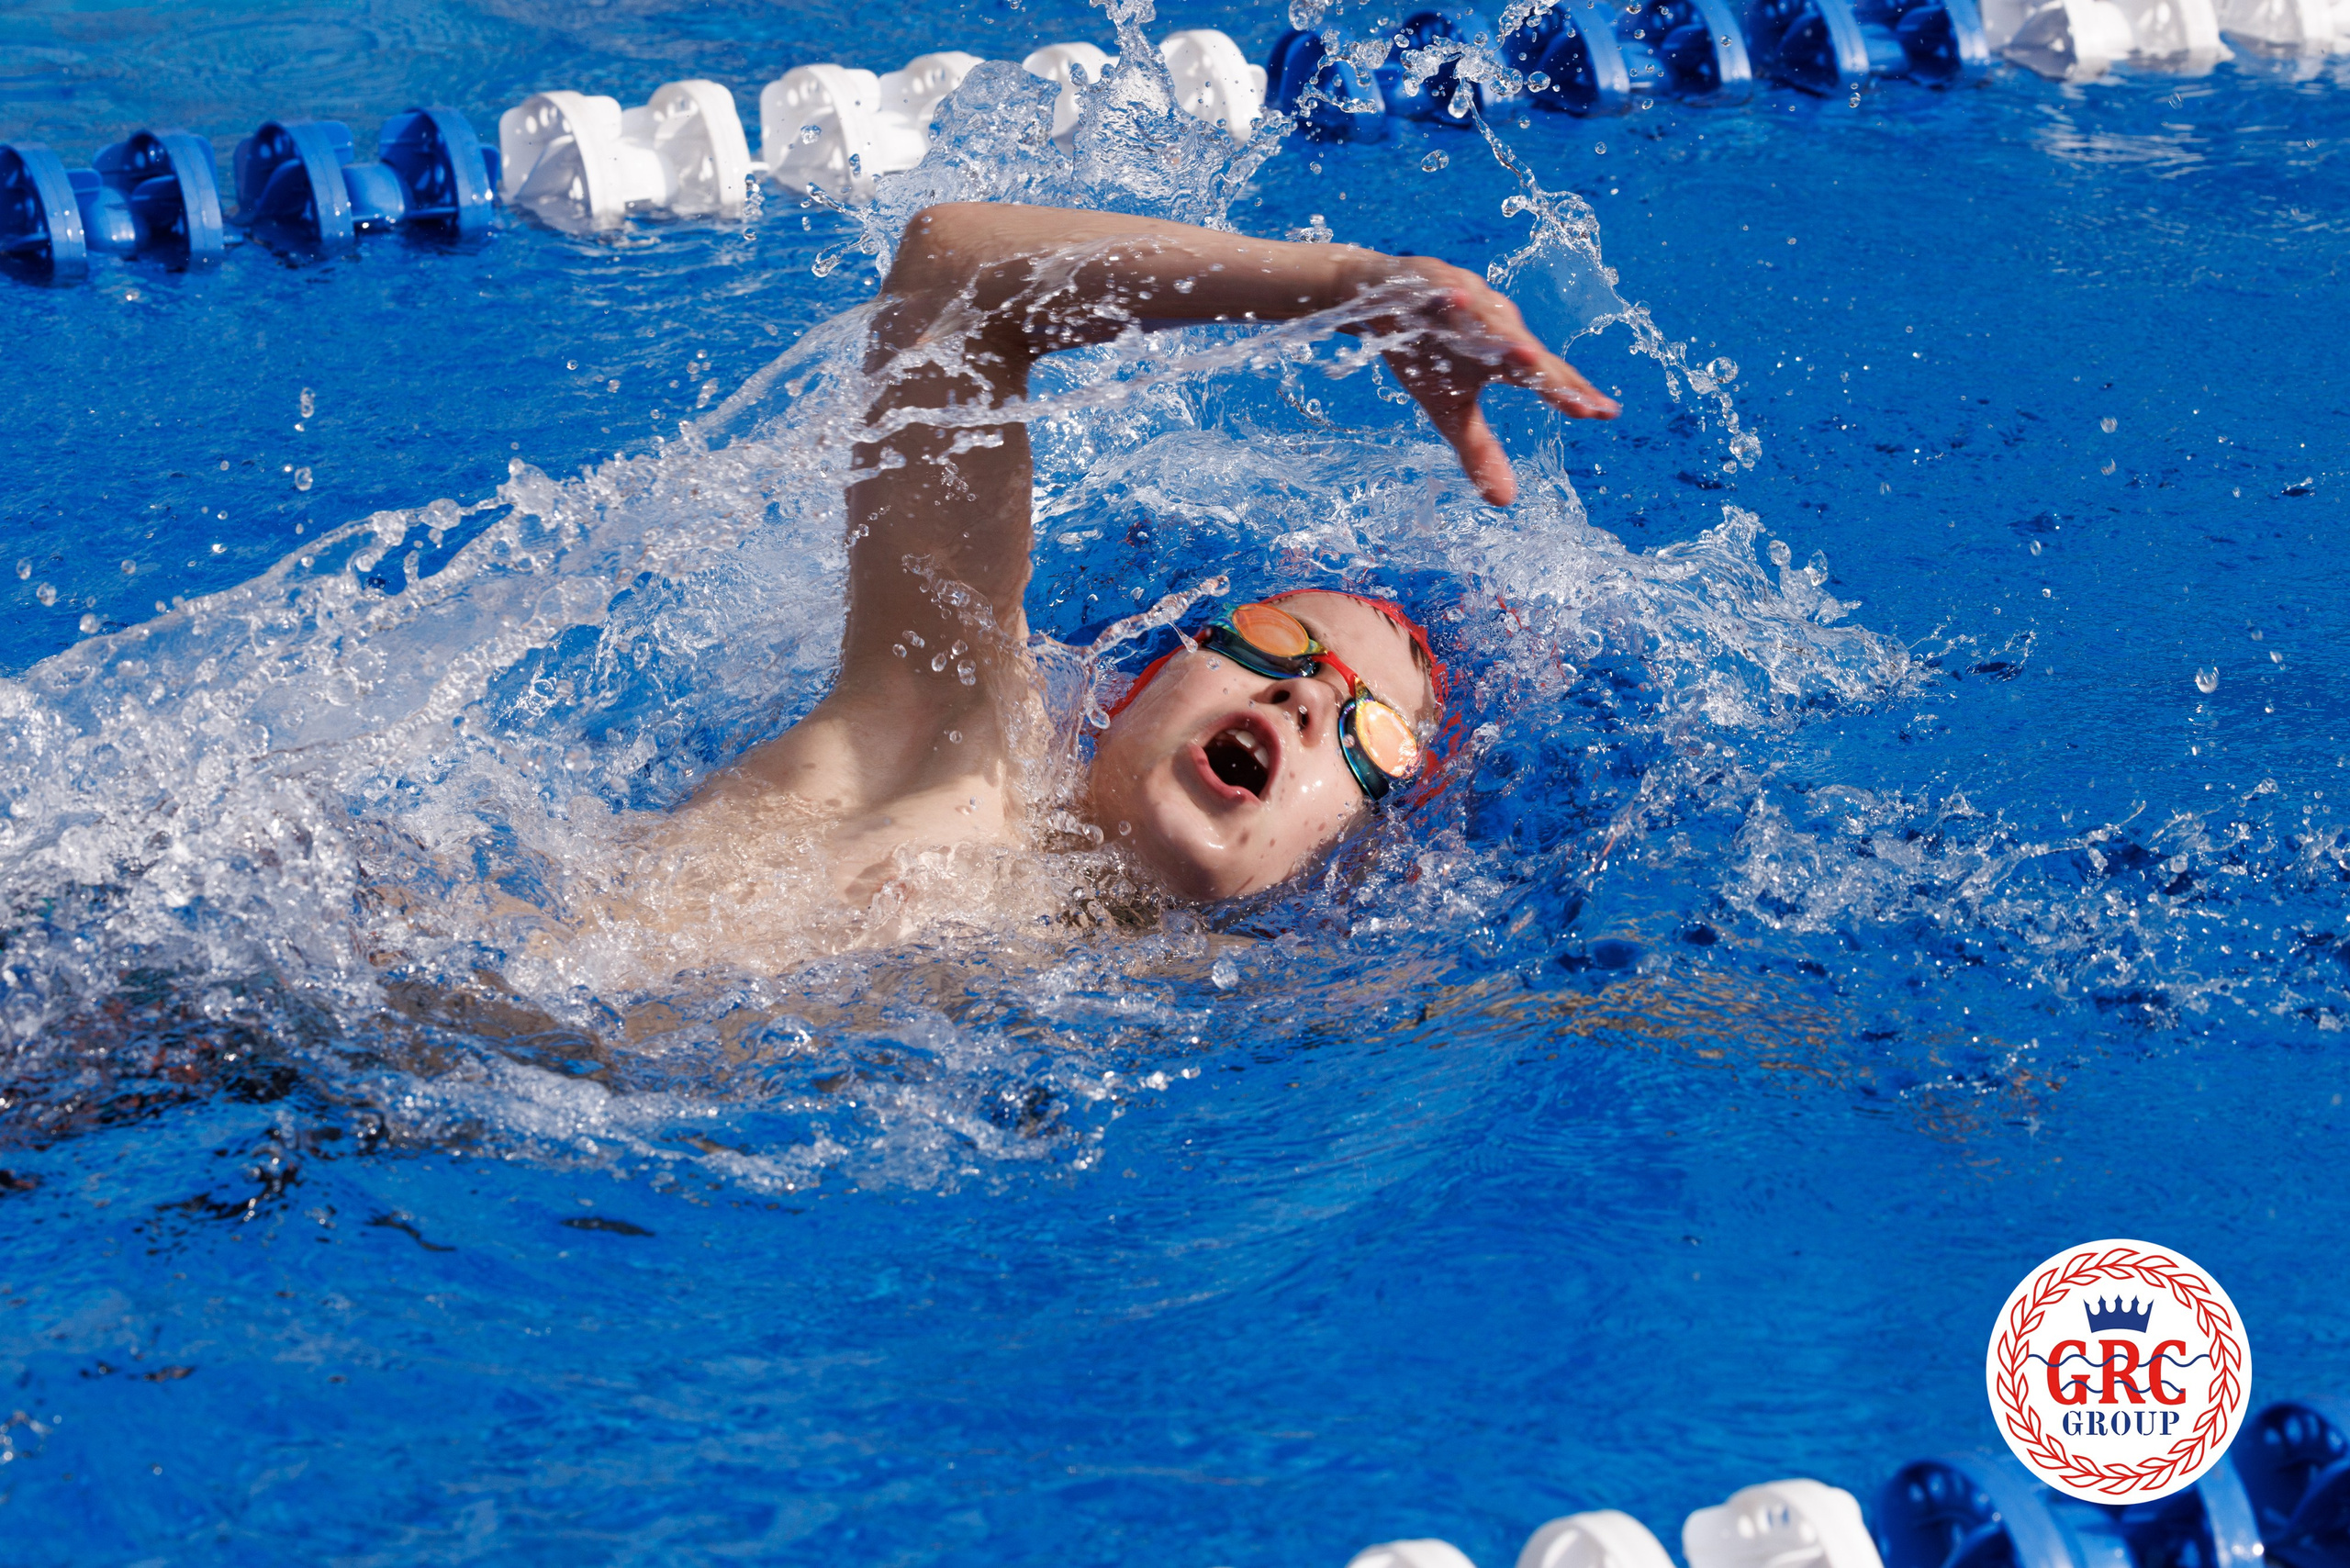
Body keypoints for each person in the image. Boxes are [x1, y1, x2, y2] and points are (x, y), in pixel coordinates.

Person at [673, 201, 1618, 913]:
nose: (1303, 694)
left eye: (1368, 733)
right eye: (1275, 640)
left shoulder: (1225, 1023)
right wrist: (1349, 286)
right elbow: (952, 274)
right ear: (1135, 685)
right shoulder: (948, 742)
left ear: (1353, 852)